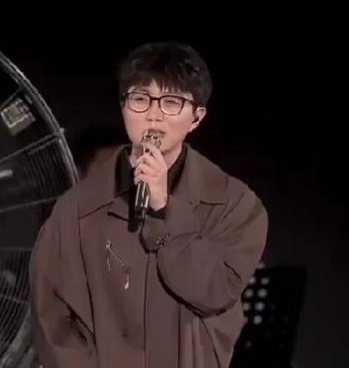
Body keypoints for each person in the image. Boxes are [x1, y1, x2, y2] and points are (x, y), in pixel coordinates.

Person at [29, 42, 268, 368]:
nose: (153, 114)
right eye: (140, 99)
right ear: (123, 107)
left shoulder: (233, 205)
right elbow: (52, 315)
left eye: (170, 102)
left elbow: (214, 292)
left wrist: (164, 209)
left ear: (196, 117)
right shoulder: (76, 209)